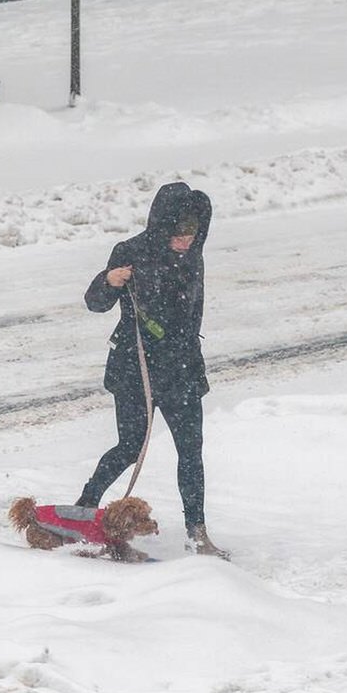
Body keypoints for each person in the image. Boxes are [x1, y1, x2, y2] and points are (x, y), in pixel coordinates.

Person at [75, 181, 227, 559]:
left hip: (183, 371)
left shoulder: (194, 252)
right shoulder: (130, 252)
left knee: (191, 452)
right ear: (162, 228)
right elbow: (96, 303)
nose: (185, 242)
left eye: (191, 234)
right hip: (135, 368)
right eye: (178, 235)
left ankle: (197, 533)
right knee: (129, 447)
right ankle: (84, 506)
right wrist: (108, 281)